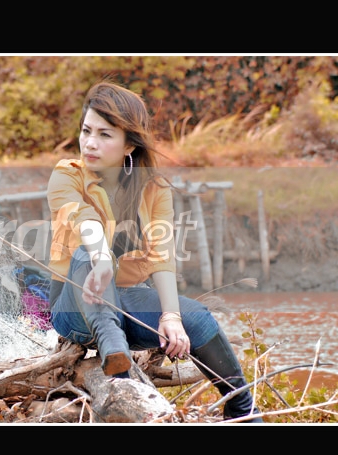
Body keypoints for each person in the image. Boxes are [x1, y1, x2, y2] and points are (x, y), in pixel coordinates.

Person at [46, 78, 263, 423]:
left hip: (125, 301)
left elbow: (162, 255)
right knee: (85, 256)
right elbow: (83, 219)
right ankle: (115, 353)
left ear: (129, 145)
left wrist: (171, 317)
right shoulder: (66, 176)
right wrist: (102, 259)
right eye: (86, 131)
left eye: (104, 135)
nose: (90, 143)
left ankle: (244, 411)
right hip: (74, 307)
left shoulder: (154, 189)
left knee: (197, 318)